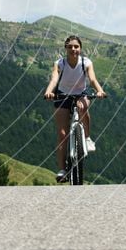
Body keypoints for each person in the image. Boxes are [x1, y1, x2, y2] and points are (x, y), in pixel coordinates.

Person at [44, 35, 106, 182]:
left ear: (80, 48)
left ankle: (87, 138)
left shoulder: (86, 63)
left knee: (83, 106)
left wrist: (100, 90)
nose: (73, 49)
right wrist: (49, 91)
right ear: (65, 48)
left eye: (76, 46)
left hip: (81, 94)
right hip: (63, 96)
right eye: (70, 46)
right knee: (62, 133)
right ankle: (62, 170)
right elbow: (54, 79)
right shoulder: (60, 63)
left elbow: (92, 79)